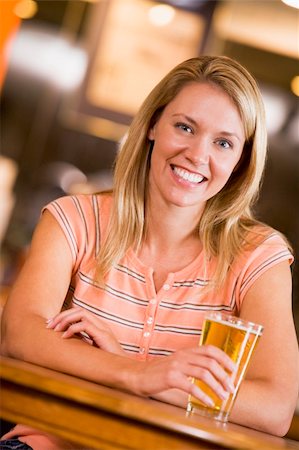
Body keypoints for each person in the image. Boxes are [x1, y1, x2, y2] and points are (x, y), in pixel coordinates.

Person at [1, 55, 298, 449]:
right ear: (154, 125)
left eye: (223, 142)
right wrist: (136, 375)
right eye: (185, 127)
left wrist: (145, 373)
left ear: (241, 160)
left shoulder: (259, 257)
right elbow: (20, 335)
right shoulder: (73, 219)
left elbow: (275, 408)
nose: (197, 154)